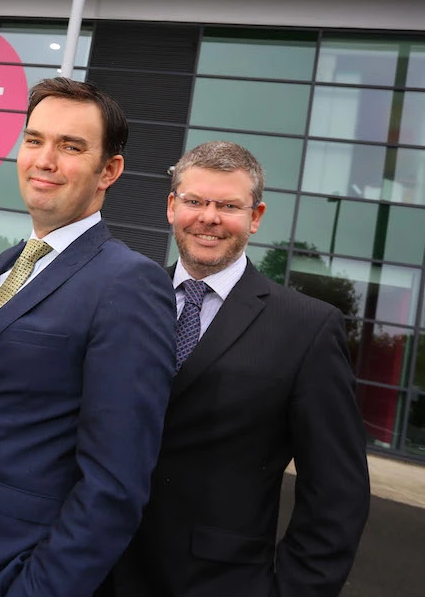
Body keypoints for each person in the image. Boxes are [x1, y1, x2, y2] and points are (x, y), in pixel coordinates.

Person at [0, 77, 177, 597]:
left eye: (71, 146)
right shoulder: (14, 261)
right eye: (34, 140)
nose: (44, 159)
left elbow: (114, 486)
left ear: (110, 171)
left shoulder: (129, 284)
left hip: (13, 573)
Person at [106, 141, 370, 596]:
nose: (208, 217)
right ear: (172, 207)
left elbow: (336, 494)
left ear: (256, 217)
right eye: (195, 201)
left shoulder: (306, 328)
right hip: (96, 571)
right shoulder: (120, 299)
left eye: (228, 205)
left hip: (218, 582)